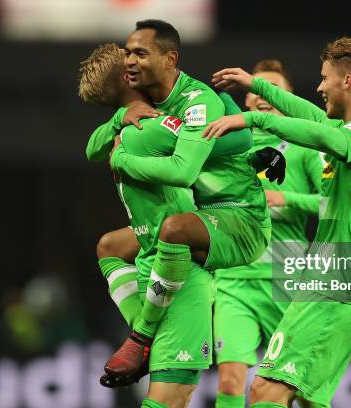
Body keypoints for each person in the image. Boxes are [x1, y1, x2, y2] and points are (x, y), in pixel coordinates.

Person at [203, 37, 351, 407]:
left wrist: (254, 116)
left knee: (266, 391)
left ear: (347, 81)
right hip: (341, 285)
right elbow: (310, 118)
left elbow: (314, 131)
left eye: (325, 78)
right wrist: (257, 85)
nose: (319, 86)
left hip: (332, 286)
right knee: (309, 399)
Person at [99, 19, 276, 380]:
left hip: (239, 219)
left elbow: (184, 171)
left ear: (170, 59)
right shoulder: (148, 108)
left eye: (140, 53)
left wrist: (121, 159)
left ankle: (141, 334)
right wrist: (120, 116)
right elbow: (91, 147)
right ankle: (144, 326)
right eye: (127, 53)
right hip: (204, 214)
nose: (130, 61)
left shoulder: (197, 101)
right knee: (110, 246)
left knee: (174, 229)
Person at [212, 59, 323, 408]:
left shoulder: (306, 146)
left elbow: (331, 204)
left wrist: (285, 198)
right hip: (234, 277)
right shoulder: (231, 144)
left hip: (285, 278)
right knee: (230, 381)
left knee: (300, 388)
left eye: (273, 89)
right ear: (247, 100)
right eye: (257, 89)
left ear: (287, 97)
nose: (263, 96)